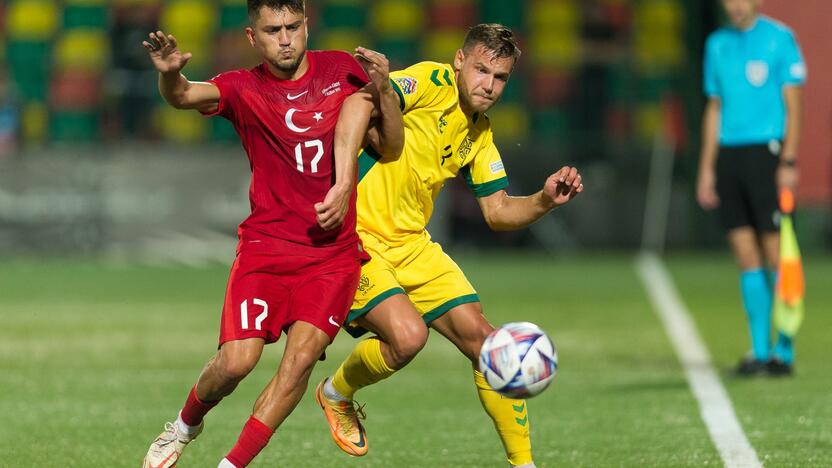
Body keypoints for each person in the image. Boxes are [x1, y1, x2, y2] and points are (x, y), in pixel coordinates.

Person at [139, 1, 402, 467]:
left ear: (306, 25)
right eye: (273, 30)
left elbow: (391, 148)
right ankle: (183, 426)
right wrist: (168, 75)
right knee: (236, 363)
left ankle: (231, 464)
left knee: (298, 363)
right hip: (267, 249)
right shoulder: (243, 87)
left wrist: (383, 91)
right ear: (251, 37)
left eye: (293, 27)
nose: (285, 39)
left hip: (332, 256)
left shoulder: (343, 70)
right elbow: (181, 96)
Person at [313, 24, 583, 467]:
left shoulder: (479, 132)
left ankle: (523, 464)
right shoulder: (431, 82)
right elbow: (361, 100)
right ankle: (336, 392)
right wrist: (343, 179)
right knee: (407, 339)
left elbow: (497, 212)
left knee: (490, 347)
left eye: (500, 79)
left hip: (412, 244)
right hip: (355, 239)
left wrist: (545, 200)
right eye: (481, 71)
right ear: (459, 60)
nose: (489, 86)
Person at [696, 0, 805, 376]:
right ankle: (759, 350)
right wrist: (707, 168)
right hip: (730, 156)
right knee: (745, 254)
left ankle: (784, 348)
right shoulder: (717, 44)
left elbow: (794, 106)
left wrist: (788, 160)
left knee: (776, 252)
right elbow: (715, 107)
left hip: (768, 153)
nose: (735, 5)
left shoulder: (780, 39)